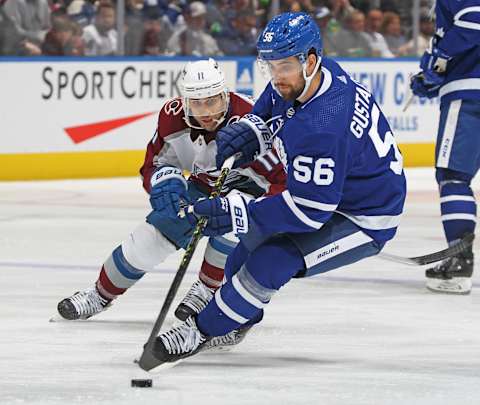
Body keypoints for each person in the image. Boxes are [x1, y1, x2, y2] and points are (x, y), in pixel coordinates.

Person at [147, 12, 406, 367]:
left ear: (309, 60)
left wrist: (237, 212)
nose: (275, 76)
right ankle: (240, 318)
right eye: (269, 66)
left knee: (271, 261)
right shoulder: (314, 75)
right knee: (245, 246)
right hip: (337, 190)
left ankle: (201, 331)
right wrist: (254, 128)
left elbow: (310, 211)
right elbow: (274, 99)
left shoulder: (322, 127)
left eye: (283, 66)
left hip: (363, 216)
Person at [56, 59, 285, 347]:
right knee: (148, 240)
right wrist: (165, 182)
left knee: (234, 223)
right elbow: (154, 163)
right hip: (203, 186)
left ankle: (207, 288)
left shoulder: (250, 120)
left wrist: (260, 211)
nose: (208, 113)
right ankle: (100, 294)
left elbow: (283, 179)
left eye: (213, 101)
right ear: (185, 101)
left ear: (225, 95)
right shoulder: (172, 117)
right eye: (199, 104)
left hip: (252, 191)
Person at [409, 0, 479, 294]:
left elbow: (475, 21)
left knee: (453, 177)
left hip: (470, 96)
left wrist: (435, 61)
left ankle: (459, 260)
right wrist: (433, 77)